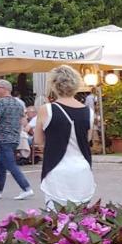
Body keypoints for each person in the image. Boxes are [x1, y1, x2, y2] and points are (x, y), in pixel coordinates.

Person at [35, 65, 95, 208]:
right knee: (82, 221)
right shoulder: (89, 112)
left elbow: (38, 140)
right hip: (82, 168)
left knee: (56, 221)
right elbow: (88, 139)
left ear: (54, 85)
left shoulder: (46, 110)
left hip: (56, 169)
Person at [0, 79, 33, 200]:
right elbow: (24, 122)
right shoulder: (18, 103)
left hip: (3, 137)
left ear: (3, 89)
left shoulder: (0, 103)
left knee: (10, 164)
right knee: (2, 163)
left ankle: (26, 188)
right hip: (15, 138)